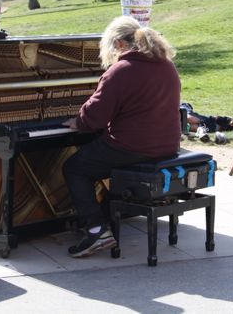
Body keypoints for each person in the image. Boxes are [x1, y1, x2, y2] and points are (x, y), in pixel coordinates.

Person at [62, 16, 181, 258]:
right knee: (101, 161)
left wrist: (78, 121)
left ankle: (96, 229)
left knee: (74, 168)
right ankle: (104, 218)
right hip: (167, 145)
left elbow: (94, 117)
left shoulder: (121, 70)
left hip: (133, 147)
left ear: (118, 44)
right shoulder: (166, 65)